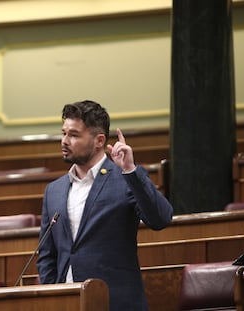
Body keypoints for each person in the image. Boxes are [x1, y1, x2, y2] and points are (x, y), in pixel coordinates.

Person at [36, 100, 173, 311]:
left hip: (116, 301)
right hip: (68, 302)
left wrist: (130, 170)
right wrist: (52, 295)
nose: (64, 141)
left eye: (73, 135)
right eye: (63, 133)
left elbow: (161, 219)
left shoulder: (125, 178)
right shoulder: (53, 190)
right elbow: (47, 255)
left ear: (99, 140)